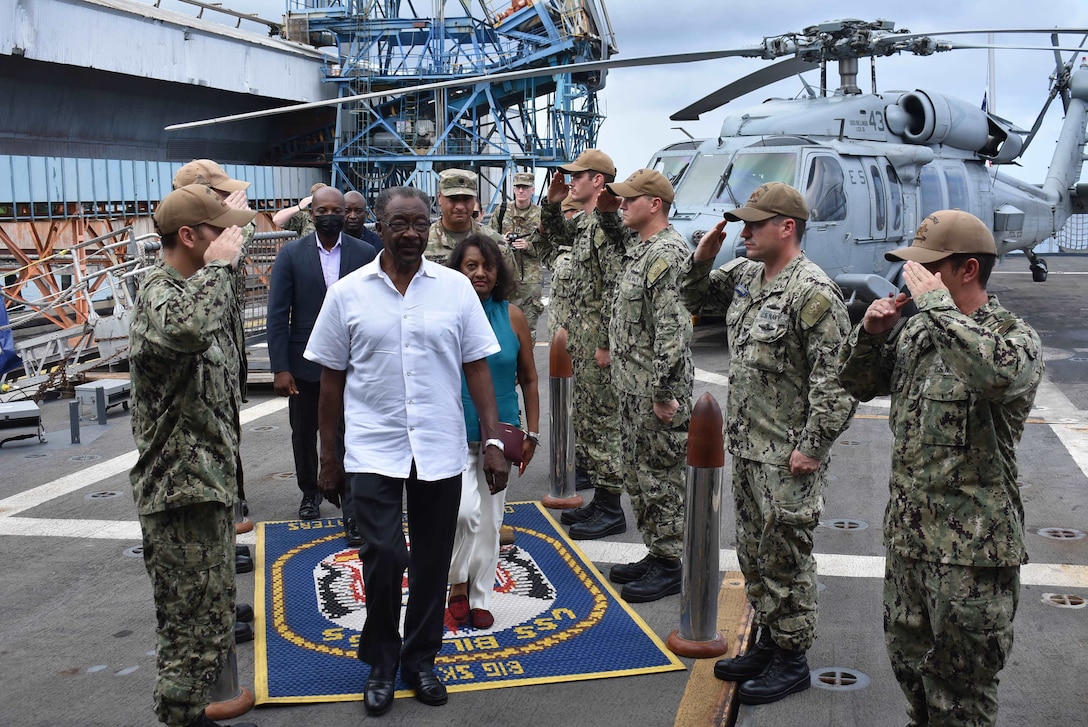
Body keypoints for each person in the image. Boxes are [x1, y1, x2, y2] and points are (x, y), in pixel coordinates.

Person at [304, 186, 511, 717]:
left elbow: (477, 368)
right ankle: (380, 661)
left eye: (419, 224)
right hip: (373, 447)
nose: (411, 233)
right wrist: (328, 457)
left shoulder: (455, 290)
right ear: (379, 225)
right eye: (399, 223)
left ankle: (421, 660)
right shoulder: (347, 293)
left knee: (432, 560)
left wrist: (492, 440)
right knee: (386, 554)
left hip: (439, 446)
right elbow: (330, 382)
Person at [837, 210, 1043, 726]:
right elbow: (858, 383)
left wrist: (933, 307)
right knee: (911, 671)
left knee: (962, 690)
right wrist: (872, 332)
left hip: (972, 554)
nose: (915, 277)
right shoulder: (918, 334)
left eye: (929, 268)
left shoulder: (1013, 338)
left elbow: (993, 376)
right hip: (909, 540)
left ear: (967, 269)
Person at [681, 182, 856, 705]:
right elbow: (694, 299)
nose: (745, 231)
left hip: (788, 457)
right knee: (756, 556)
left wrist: (813, 446)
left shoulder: (813, 293)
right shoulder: (744, 275)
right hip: (750, 447)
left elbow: (839, 383)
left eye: (756, 223)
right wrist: (701, 260)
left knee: (788, 557)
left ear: (787, 228)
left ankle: (793, 657)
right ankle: (769, 641)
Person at [129, 184, 258, 727]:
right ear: (189, 237)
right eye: (217, 231)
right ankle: (181, 715)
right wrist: (221, 268)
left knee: (209, 620)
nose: (230, 240)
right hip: (179, 491)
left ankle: (189, 710)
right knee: (188, 629)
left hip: (207, 485)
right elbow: (187, 328)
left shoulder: (198, 287)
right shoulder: (162, 293)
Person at [602, 169, 693, 602]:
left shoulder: (667, 254)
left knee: (661, 478)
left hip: (655, 393)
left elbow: (672, 332)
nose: (622, 206)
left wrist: (662, 393)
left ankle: (670, 562)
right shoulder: (643, 250)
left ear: (654, 204)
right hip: (632, 387)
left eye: (629, 200)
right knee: (640, 477)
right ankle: (657, 553)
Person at [267, 185, 377, 540]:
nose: (330, 215)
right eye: (322, 210)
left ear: (346, 213)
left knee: (350, 435)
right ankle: (309, 494)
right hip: (304, 365)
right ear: (311, 213)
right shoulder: (291, 254)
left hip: (354, 363)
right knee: (304, 433)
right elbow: (277, 314)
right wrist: (280, 367)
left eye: (337, 210)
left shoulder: (364, 253)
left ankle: (352, 509)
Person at [445, 234, 540, 629]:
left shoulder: (512, 315)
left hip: (501, 437)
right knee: (464, 514)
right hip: (452, 433)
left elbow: (530, 379)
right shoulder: (444, 312)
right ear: (457, 271)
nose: (480, 273)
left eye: (487, 266)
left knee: (489, 522)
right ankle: (456, 583)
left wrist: (532, 434)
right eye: (471, 265)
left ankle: (479, 595)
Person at [536, 149, 626, 537]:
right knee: (588, 423)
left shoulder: (608, 226)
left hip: (597, 340)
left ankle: (611, 508)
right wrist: (553, 206)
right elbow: (555, 240)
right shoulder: (588, 223)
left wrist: (605, 342)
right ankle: (599, 504)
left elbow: (613, 288)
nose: (571, 180)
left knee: (604, 426)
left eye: (578, 176)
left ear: (598, 182)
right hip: (583, 337)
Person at [424, 168, 517, 290]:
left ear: (474, 200)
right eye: (453, 199)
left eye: (466, 199)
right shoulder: (423, 243)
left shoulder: (496, 243)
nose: (460, 206)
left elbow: (511, 292)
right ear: (440, 197)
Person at [489, 171, 544, 340]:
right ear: (513, 189)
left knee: (528, 328)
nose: (521, 191)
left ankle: (526, 364)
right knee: (503, 325)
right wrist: (502, 242)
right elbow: (488, 239)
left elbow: (548, 247)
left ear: (532, 190)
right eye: (518, 187)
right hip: (505, 276)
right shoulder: (502, 211)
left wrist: (528, 246)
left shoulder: (540, 215)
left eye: (525, 187)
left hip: (530, 278)